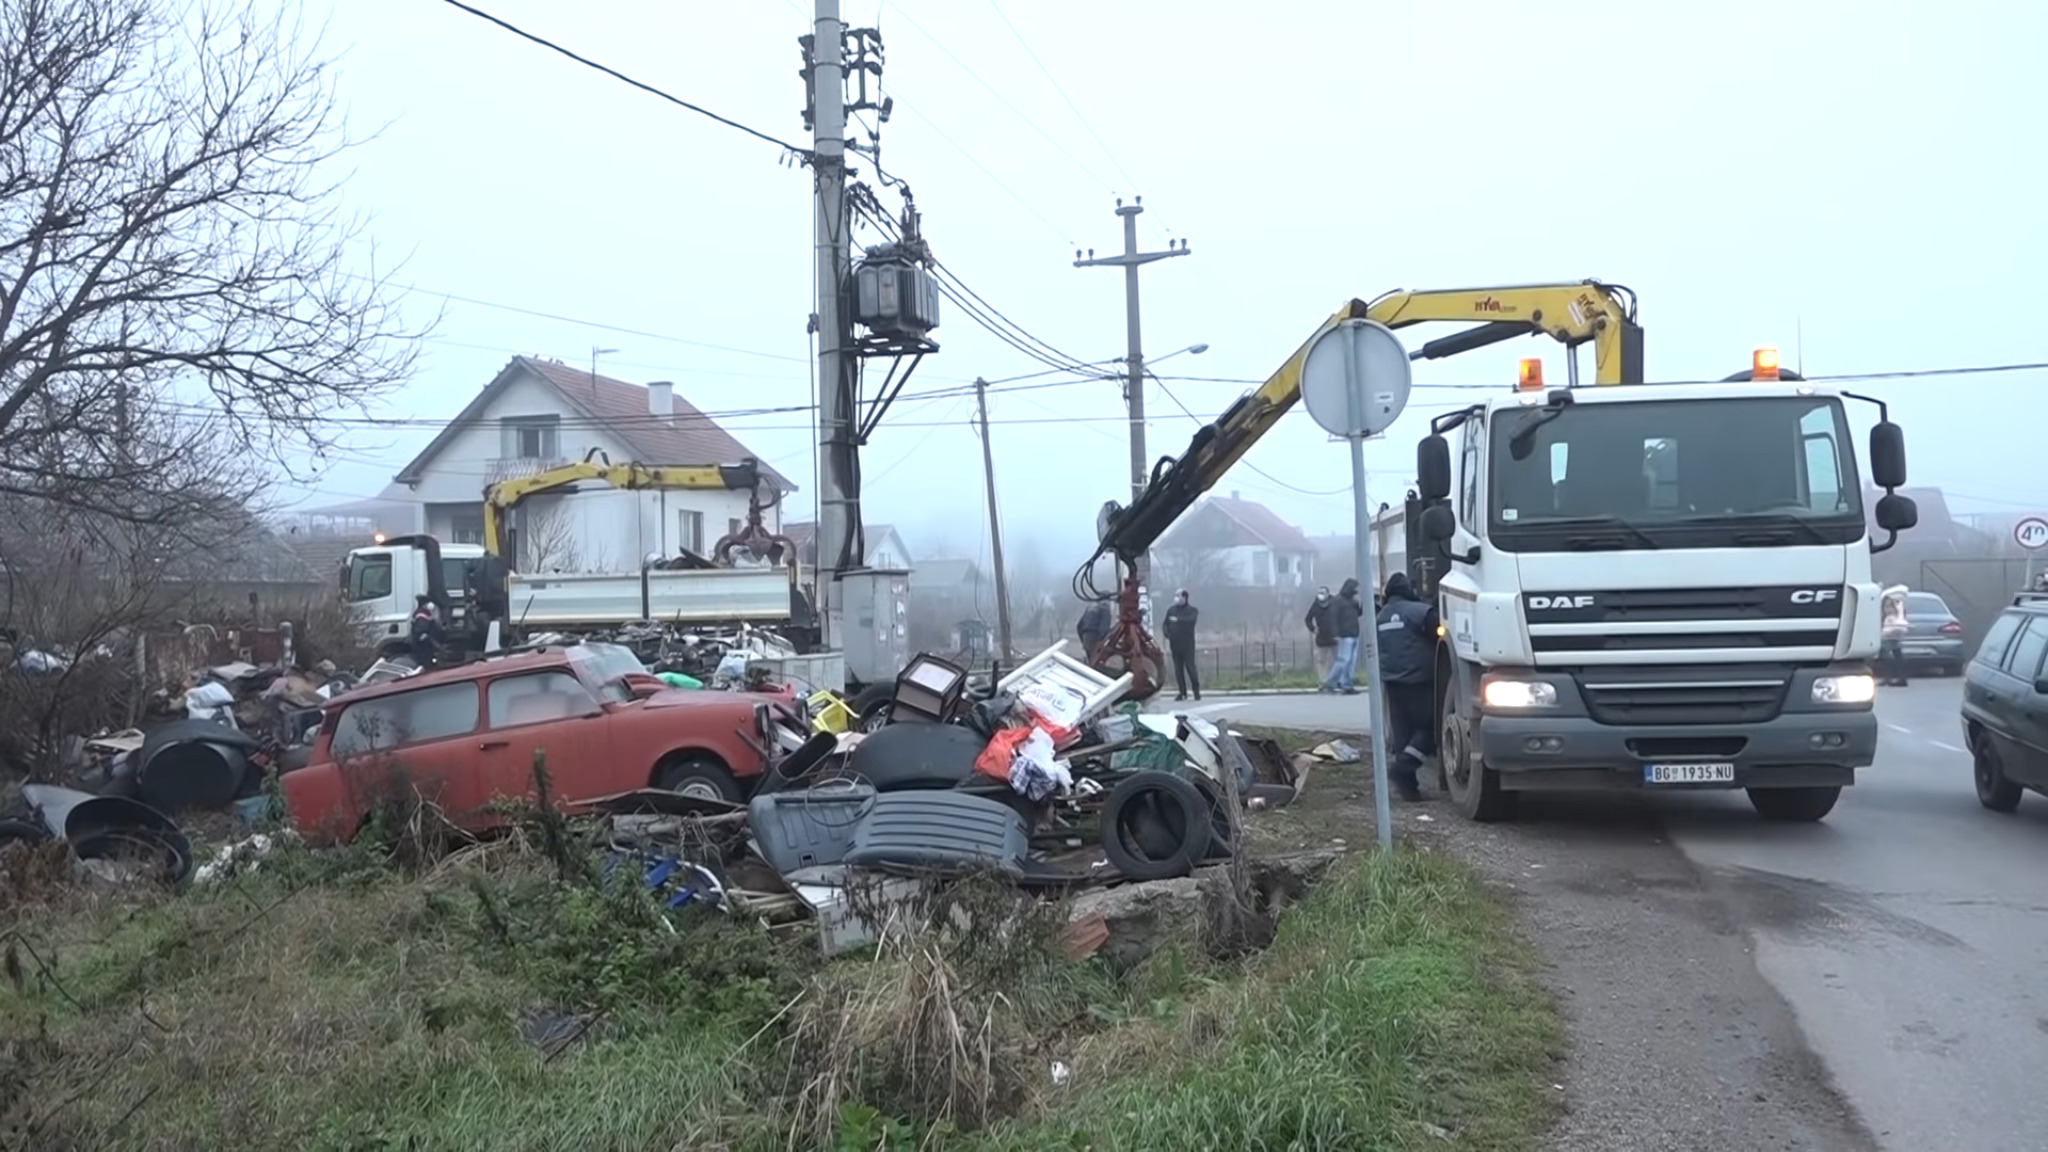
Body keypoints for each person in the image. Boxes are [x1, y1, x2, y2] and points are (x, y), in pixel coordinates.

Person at [1377, 572, 1440, 801]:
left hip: (1392, 683)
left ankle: (1409, 789)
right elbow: (1440, 634)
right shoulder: (1420, 612)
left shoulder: (1380, 617)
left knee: (1403, 733)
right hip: (1420, 681)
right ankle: (1403, 768)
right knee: (1429, 729)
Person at [1319, 578, 1365, 695]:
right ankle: (1330, 683)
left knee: (1351, 662)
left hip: (1354, 633)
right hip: (1345, 634)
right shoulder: (1338, 600)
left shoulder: (1353, 600)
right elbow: (1333, 618)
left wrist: (1361, 604)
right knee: (1343, 660)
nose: (1357, 590)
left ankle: (1346, 684)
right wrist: (1336, 633)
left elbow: (1359, 613)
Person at [1163, 588, 1201, 701]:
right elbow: (1165, 624)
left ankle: (1196, 691)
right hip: (1175, 644)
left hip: (1187, 644)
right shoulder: (1171, 610)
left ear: (1184, 598)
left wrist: (1177, 620)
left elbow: (1191, 620)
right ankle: (1182, 692)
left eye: (1178, 596)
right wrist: (1167, 634)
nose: (1176, 598)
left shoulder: (1192, 610)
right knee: (1178, 670)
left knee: (1190, 668)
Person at [1303, 585, 1338, 682]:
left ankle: (1337, 680)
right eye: (1319, 593)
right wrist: (1313, 629)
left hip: (1335, 636)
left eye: (1323, 592)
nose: (1321, 595)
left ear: (1328, 593)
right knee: (1321, 661)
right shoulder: (1315, 605)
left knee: (1338, 660)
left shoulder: (1335, 603)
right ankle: (1324, 681)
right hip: (1321, 638)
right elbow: (1308, 619)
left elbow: (1341, 616)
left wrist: (1340, 630)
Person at [1878, 584, 1909, 686]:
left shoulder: (1893, 618)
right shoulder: (1889, 617)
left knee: (1889, 658)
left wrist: (1885, 632)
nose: (1887, 609)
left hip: (1891, 639)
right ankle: (1895, 678)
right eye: (1885, 607)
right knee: (1894, 658)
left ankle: (1894, 678)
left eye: (1889, 607)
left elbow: (1898, 627)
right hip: (1890, 639)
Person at [408, 595, 445, 668]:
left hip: (422, 645)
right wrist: (434, 644)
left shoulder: (422, 613)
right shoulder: (422, 615)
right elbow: (422, 632)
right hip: (423, 647)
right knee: (426, 664)